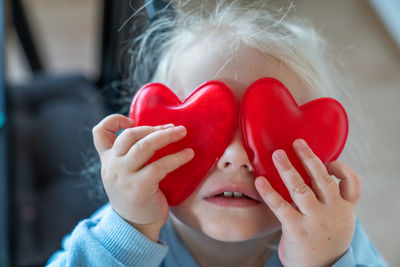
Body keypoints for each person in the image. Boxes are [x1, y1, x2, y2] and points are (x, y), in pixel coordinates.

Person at [47, 1, 387, 266]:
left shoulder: (332, 238)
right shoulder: (124, 229)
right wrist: (129, 232)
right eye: (204, 126)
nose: (237, 156)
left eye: (270, 132)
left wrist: (324, 262)